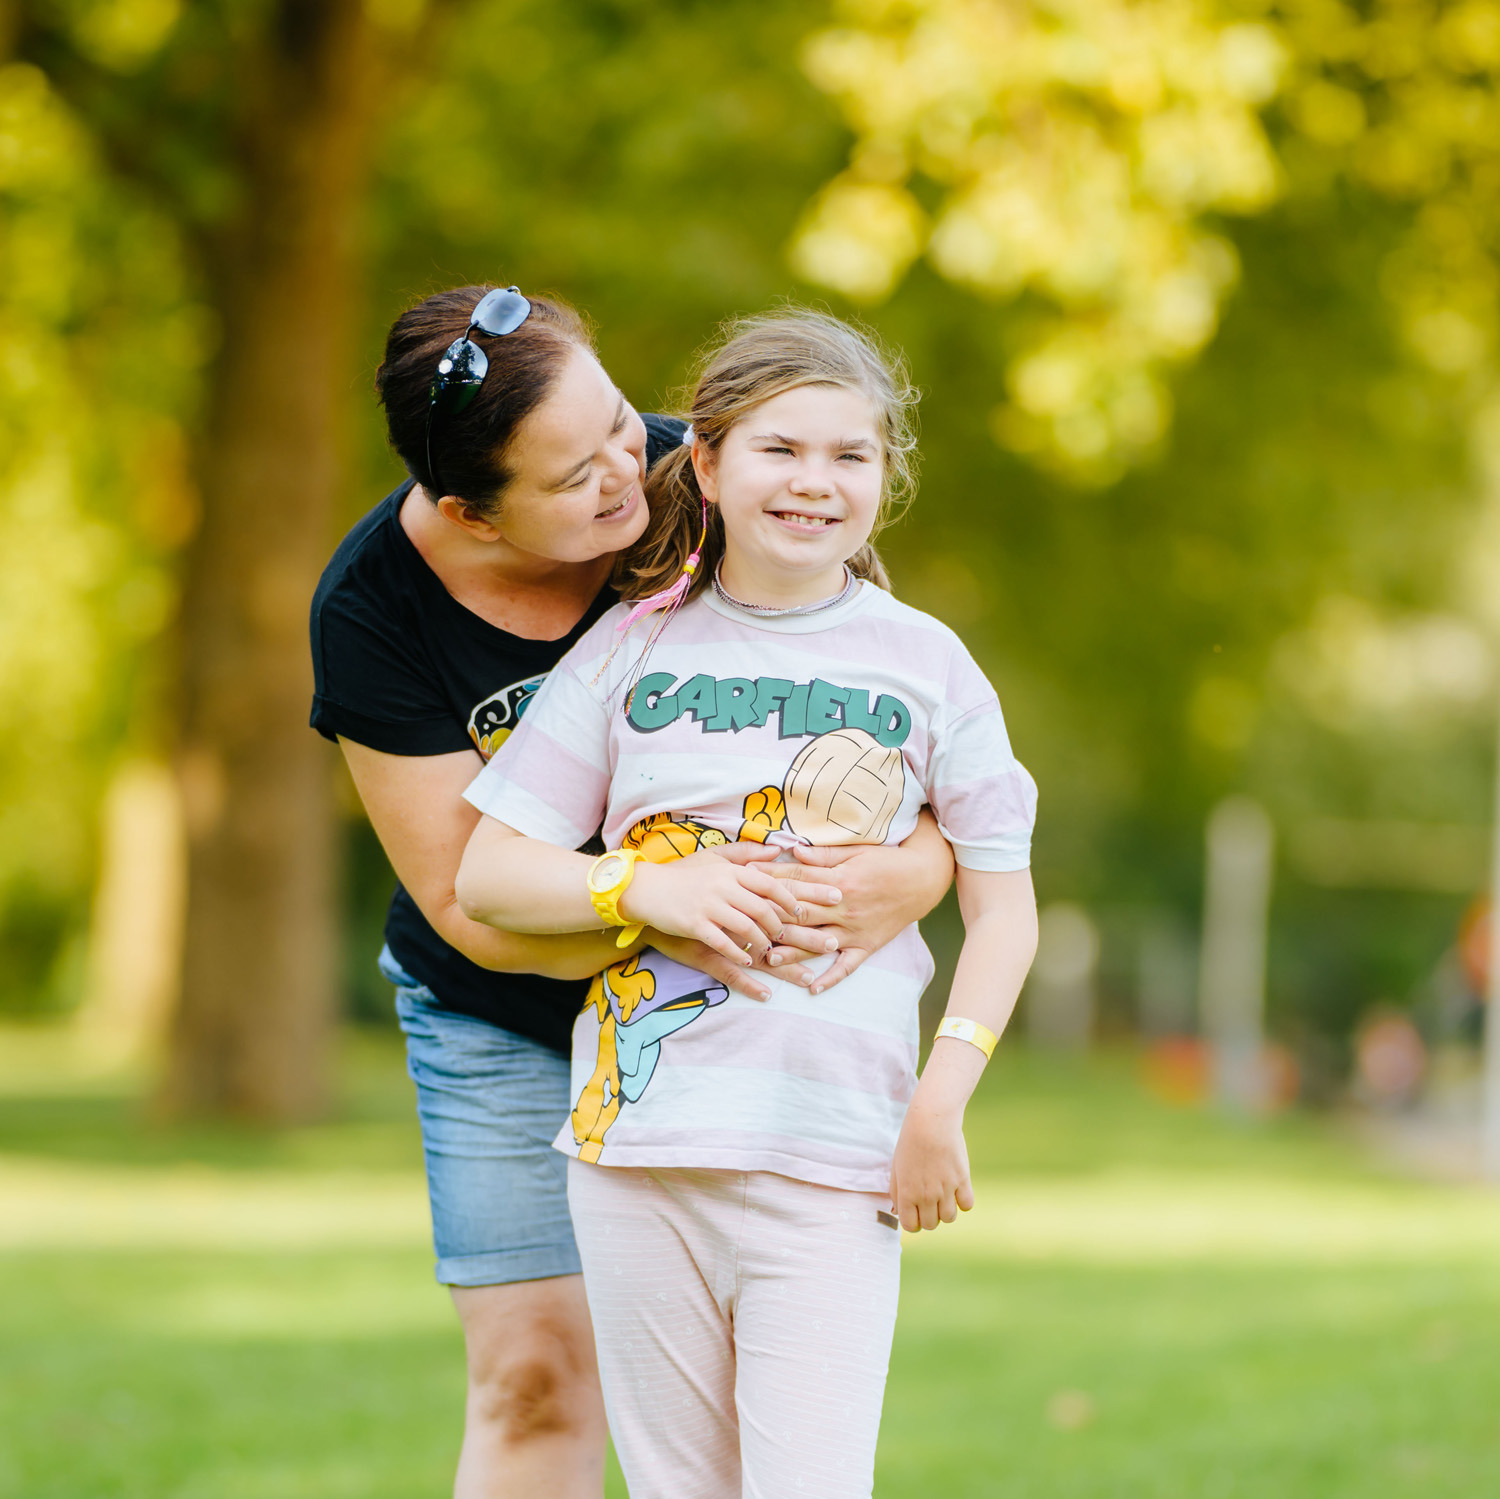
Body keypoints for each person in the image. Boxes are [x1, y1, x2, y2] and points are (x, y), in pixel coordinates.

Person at [308, 285, 958, 1499]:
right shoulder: (370, 614)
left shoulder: (713, 472)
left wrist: (908, 877)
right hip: (500, 1009)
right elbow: (468, 903)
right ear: (474, 512)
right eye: (569, 477)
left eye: (618, 420)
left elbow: (890, 737)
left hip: (741, 1008)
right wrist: (666, 902)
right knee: (537, 1377)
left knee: (748, 1416)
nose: (626, 471)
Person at [454, 308, 1040, 1498]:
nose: (814, 482)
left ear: (885, 478)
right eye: (780, 449)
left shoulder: (929, 665)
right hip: (637, 1153)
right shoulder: (632, 648)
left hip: (835, 1153)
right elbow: (489, 874)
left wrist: (943, 1096)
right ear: (708, 462)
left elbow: (1006, 909)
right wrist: (646, 884)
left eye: (849, 456)